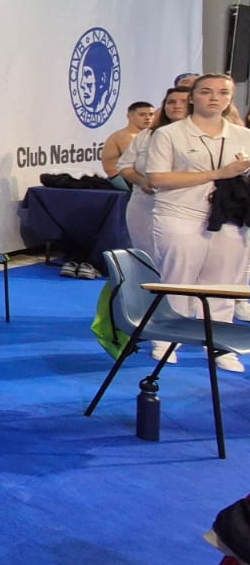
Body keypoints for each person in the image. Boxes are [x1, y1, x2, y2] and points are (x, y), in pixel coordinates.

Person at [142, 74, 250, 372]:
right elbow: (157, 179)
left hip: (229, 218)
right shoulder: (170, 134)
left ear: (230, 98)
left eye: (222, 93)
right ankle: (166, 339)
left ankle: (219, 344)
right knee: (178, 278)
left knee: (224, 283)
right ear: (193, 97)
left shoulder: (244, 135)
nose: (214, 98)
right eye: (206, 92)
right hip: (180, 214)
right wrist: (220, 173)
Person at [118, 87, 188, 263]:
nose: (176, 106)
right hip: (144, 204)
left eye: (183, 102)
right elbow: (124, 165)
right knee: (145, 256)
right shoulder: (147, 134)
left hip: (185, 207)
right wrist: (141, 180)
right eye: (171, 102)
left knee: (178, 260)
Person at [100, 101, 153, 178]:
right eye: (142, 115)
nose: (148, 118)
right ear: (129, 116)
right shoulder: (126, 136)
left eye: (151, 114)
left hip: (137, 174)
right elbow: (136, 163)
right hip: (120, 176)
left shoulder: (147, 134)